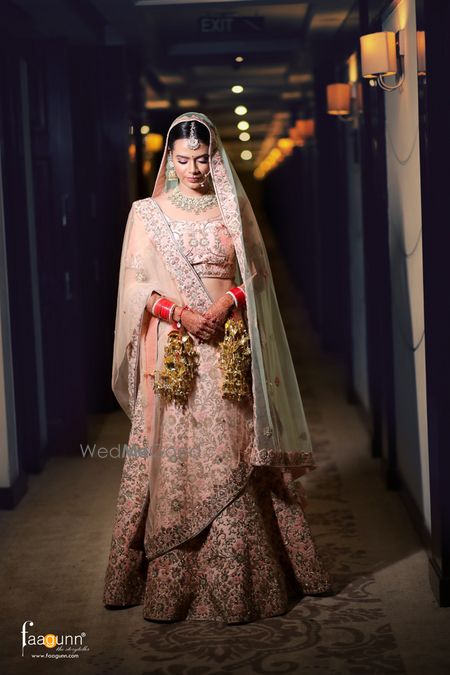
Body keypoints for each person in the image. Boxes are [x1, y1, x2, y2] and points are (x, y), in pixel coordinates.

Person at [103, 111, 332, 623]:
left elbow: (256, 276)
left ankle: (248, 578)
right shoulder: (147, 213)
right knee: (178, 449)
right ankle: (170, 580)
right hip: (174, 347)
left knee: (234, 445)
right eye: (183, 160)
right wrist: (180, 313)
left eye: (202, 159)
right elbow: (133, 287)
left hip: (228, 344)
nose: (194, 170)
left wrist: (225, 305)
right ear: (170, 160)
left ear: (214, 157)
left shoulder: (231, 210)